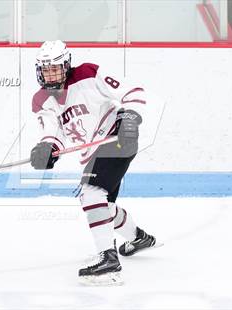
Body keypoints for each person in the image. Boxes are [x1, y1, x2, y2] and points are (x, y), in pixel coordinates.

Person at [30, 40, 161, 286]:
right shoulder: (40, 100)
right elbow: (52, 131)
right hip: (93, 154)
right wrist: (47, 149)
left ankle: (109, 260)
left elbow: (133, 91)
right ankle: (139, 238)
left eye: (55, 68)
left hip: (116, 137)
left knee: (90, 194)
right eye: (46, 69)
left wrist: (130, 116)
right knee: (104, 208)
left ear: (66, 65)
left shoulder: (88, 73)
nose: (50, 74)